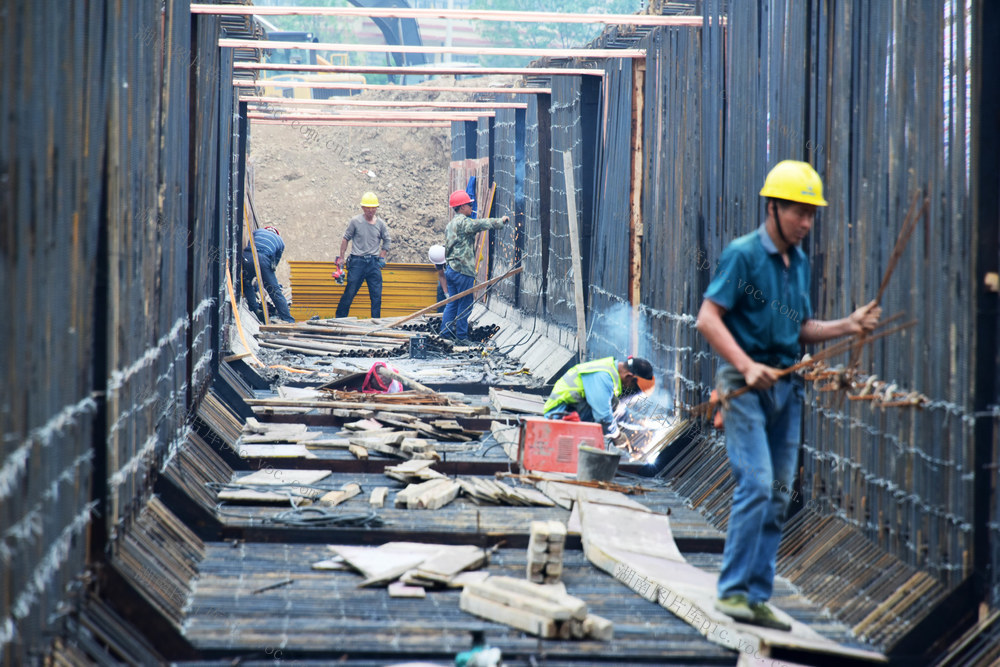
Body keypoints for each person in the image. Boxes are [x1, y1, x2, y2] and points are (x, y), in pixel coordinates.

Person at [695, 160, 881, 631]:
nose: (806, 222)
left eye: (811, 214)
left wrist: (849, 324)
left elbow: (801, 328)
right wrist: (745, 366)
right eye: (799, 212)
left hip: (786, 389)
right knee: (756, 483)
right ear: (773, 208)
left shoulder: (797, 263)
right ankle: (732, 592)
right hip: (743, 389)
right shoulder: (742, 255)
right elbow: (708, 319)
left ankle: (757, 595)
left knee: (779, 494)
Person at [542, 356, 655, 452]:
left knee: (614, 404)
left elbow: (621, 414)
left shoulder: (612, 373)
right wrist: (617, 436)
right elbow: (603, 417)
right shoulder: (603, 377)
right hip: (560, 415)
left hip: (571, 411)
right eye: (633, 389)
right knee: (613, 406)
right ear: (629, 377)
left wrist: (644, 422)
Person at [441, 190, 508, 343]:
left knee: (453, 303)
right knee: (465, 305)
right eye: (469, 205)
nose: (471, 207)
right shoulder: (463, 222)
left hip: (451, 269)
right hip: (462, 270)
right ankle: (462, 337)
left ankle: (445, 334)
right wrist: (500, 221)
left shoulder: (450, 225)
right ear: (462, 207)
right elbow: (480, 224)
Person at [335, 192, 392, 318]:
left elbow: (387, 240)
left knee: (376, 295)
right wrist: (341, 257)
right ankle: (339, 319)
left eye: (373, 207)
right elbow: (346, 238)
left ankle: (375, 323)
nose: (370, 210)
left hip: (373, 263)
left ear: (377, 208)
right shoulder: (356, 221)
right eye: (367, 207)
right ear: (362, 208)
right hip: (357, 262)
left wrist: (382, 256)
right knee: (349, 293)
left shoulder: (380, 224)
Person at [240, 226, 295, 324]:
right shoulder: (280, 241)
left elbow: (250, 244)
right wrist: (267, 278)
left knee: (246, 283)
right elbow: (274, 264)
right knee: (274, 291)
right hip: (263, 259)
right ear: (276, 233)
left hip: (246, 256)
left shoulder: (257, 231)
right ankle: (287, 319)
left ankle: (255, 308)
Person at [428, 244, 448, 314]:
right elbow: (441, 275)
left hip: (460, 273)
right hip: (449, 274)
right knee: (440, 288)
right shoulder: (438, 257)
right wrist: (446, 293)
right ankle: (440, 316)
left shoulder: (454, 252)